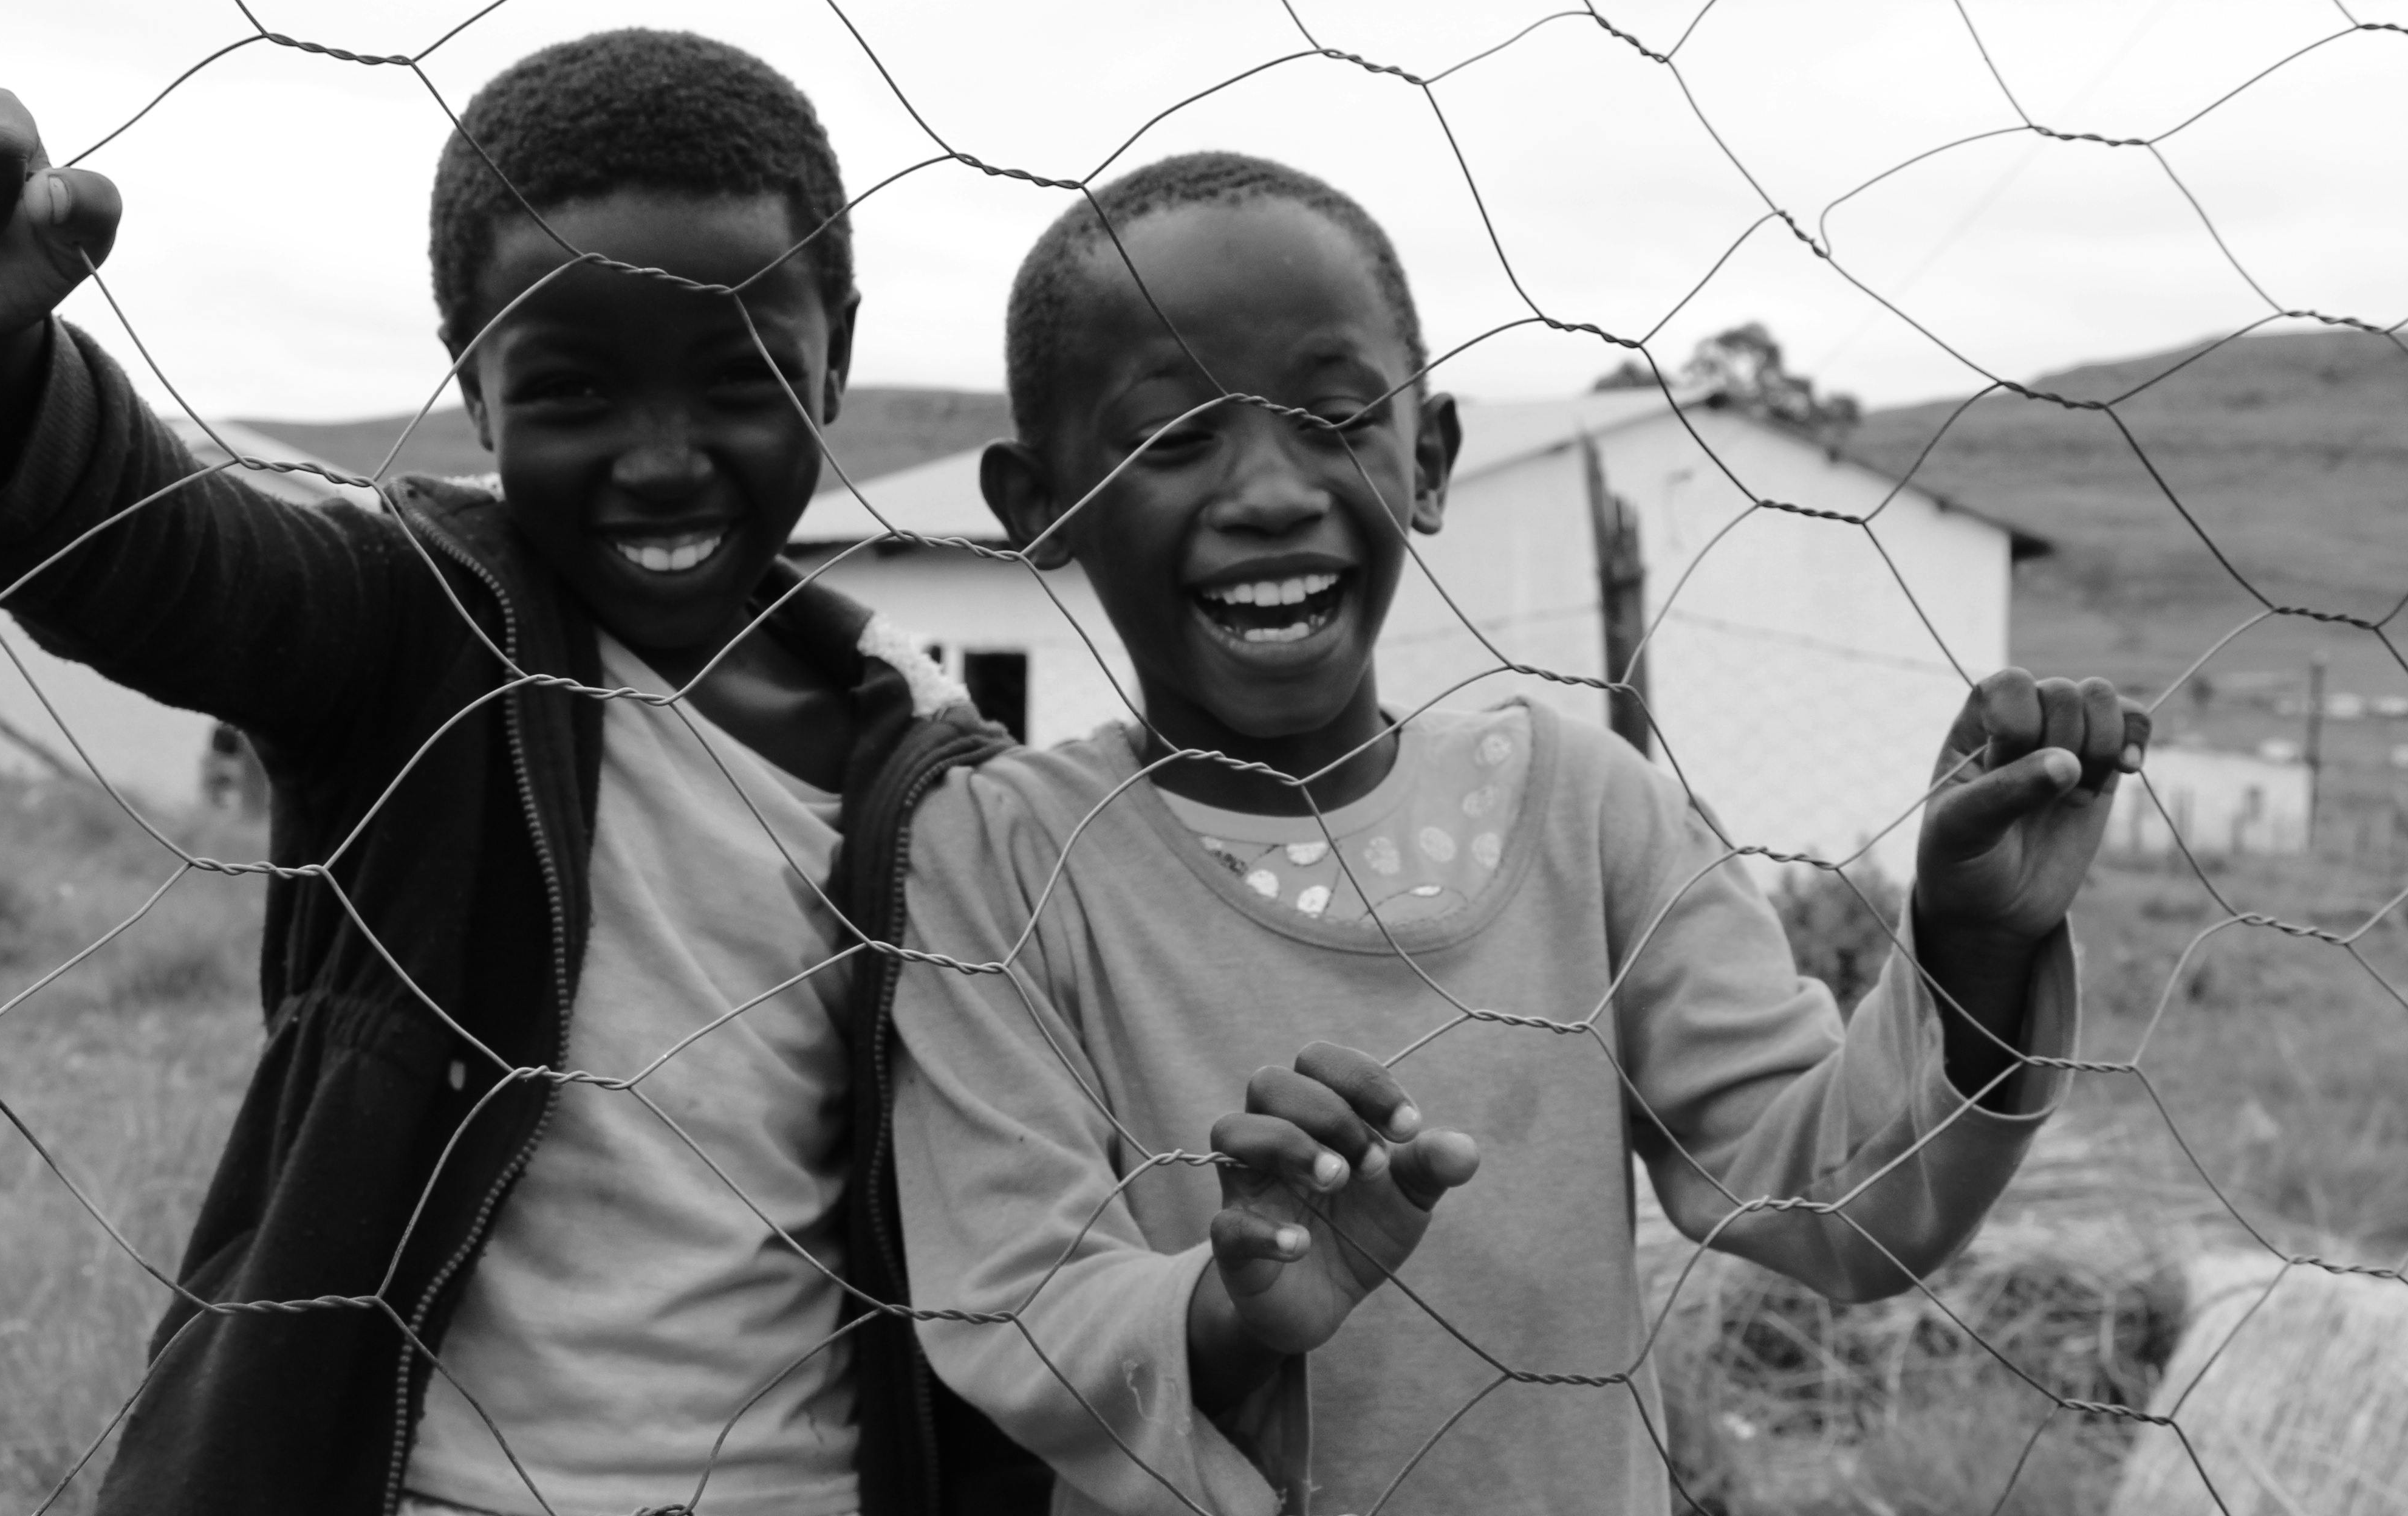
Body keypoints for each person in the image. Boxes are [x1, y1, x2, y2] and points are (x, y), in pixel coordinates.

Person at [0, 26, 1042, 1516]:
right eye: (574, 392)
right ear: (473, 384)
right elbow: (175, 561)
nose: (661, 457)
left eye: (739, 376)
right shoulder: (423, 635)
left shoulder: (913, 749)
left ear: (835, 346)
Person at [886, 151, 2147, 1515]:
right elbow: (1016, 1299)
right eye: (1173, 439)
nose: (1269, 491)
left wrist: (1968, 957)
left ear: (1426, 460)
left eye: (1333, 420)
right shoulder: (1001, 858)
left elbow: (1831, 1202)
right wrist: (1230, 1313)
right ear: (1038, 508)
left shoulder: (1584, 811)